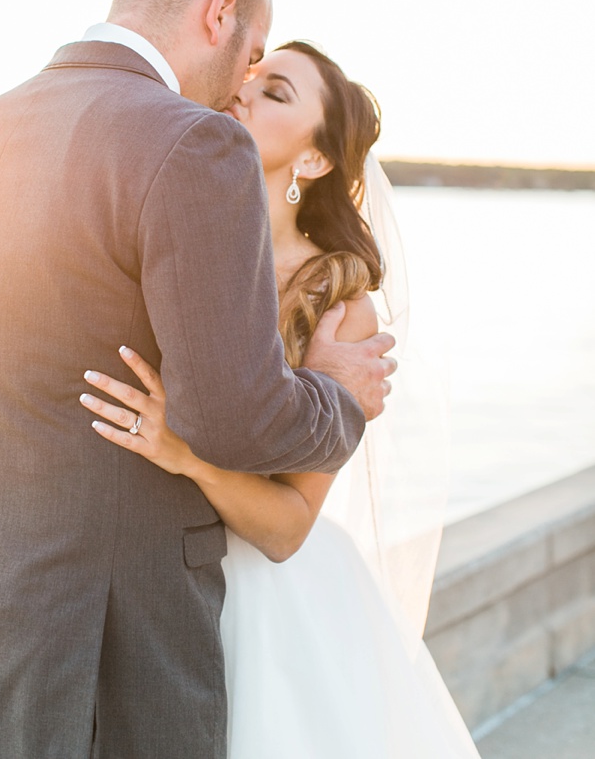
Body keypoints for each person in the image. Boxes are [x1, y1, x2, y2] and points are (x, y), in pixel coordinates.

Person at [0, 0, 396, 759]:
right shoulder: (192, 141)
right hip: (92, 675)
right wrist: (335, 392)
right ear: (220, 13)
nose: (240, 83)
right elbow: (231, 419)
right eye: (251, 54)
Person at [76, 41, 481, 757]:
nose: (247, 88)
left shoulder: (339, 311)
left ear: (314, 160)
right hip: (142, 586)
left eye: (278, 93)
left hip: (265, 604)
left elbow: (288, 526)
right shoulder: (169, 231)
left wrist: (185, 455)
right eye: (253, 76)